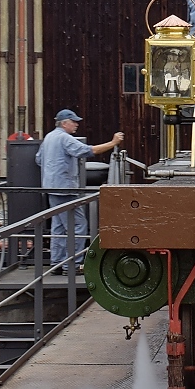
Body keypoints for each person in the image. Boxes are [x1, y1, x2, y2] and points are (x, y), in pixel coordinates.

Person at [35, 109, 124, 274]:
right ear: (64, 123)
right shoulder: (64, 138)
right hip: (65, 189)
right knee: (78, 225)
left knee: (59, 226)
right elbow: (88, 151)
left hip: (51, 188)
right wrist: (113, 143)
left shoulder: (49, 137)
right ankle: (72, 265)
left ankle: (57, 263)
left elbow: (39, 159)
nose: (76, 124)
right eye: (73, 121)